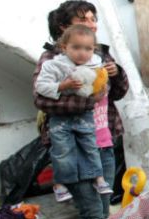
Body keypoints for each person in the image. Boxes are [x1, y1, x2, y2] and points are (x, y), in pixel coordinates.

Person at [33, 0, 129, 219]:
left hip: (104, 143)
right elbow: (41, 99)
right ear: (64, 27)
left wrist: (116, 73)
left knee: (104, 208)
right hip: (75, 147)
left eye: (93, 18)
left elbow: (117, 94)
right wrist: (88, 101)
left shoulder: (98, 53)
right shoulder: (52, 59)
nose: (92, 24)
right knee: (92, 214)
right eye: (83, 19)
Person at [34, 24, 114, 202]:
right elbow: (40, 88)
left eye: (87, 49)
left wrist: (105, 83)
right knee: (62, 150)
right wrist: (63, 86)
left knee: (90, 146)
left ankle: (98, 179)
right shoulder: (53, 64)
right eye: (76, 48)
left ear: (94, 49)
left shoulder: (96, 63)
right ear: (64, 47)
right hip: (60, 118)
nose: (82, 53)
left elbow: (103, 86)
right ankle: (61, 184)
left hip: (86, 116)